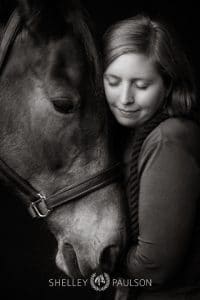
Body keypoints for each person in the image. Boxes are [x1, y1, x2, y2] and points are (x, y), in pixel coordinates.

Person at [103, 14, 200, 299]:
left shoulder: (169, 138)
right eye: (113, 81)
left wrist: (100, 263)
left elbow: (154, 268)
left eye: (141, 85)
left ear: (168, 84)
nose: (124, 98)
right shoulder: (131, 133)